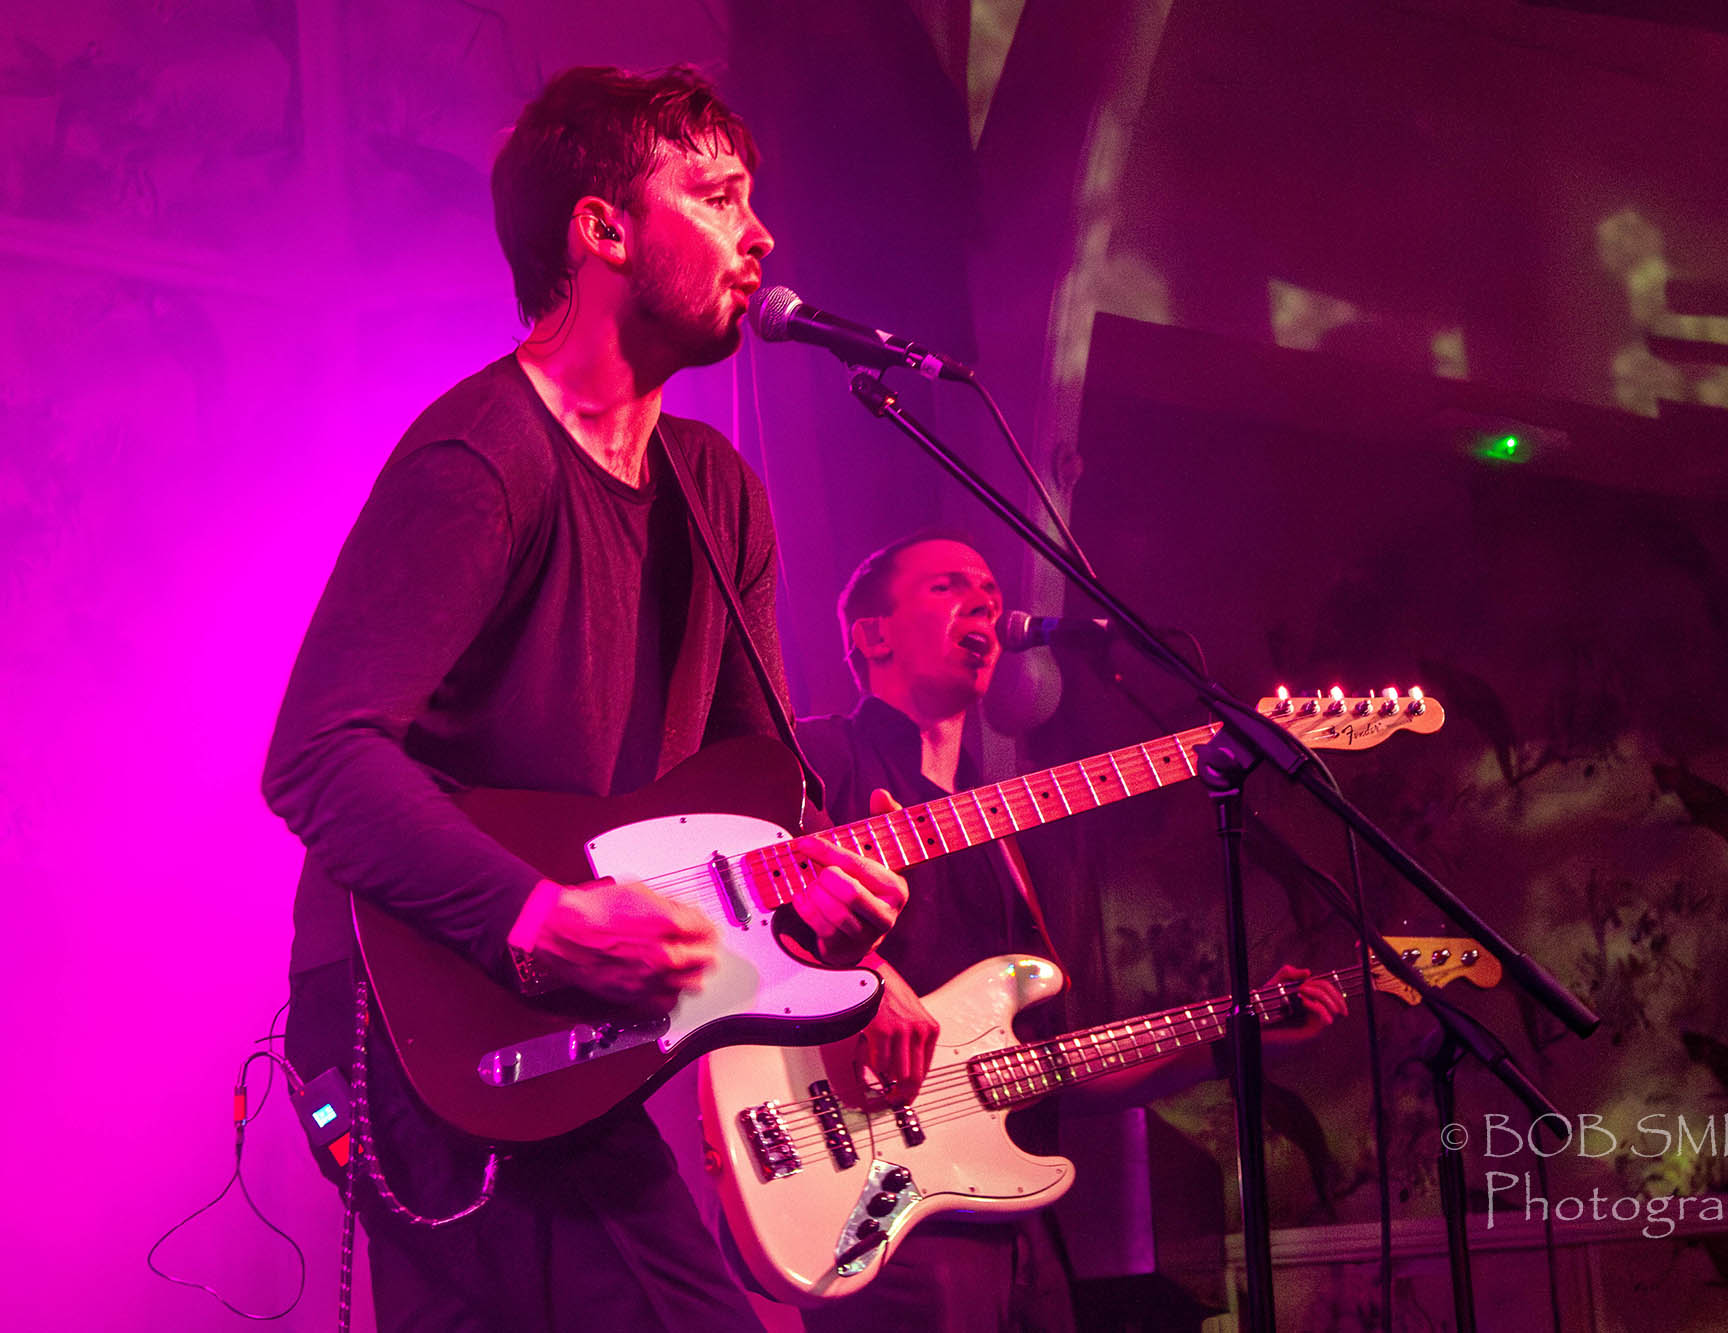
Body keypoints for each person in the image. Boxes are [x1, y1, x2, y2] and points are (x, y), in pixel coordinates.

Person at [263, 66, 908, 1332]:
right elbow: (318, 756)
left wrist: (821, 919)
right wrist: (537, 915)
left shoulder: (717, 494)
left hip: (565, 1043)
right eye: (716, 197)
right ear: (602, 229)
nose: (760, 235)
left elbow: (748, 788)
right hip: (415, 1017)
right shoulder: (480, 457)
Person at [793, 534, 1345, 1333]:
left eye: (989, 587)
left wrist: (1235, 1036)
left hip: (1022, 1232)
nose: (985, 601)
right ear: (873, 634)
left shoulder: (1006, 835)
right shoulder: (821, 758)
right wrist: (870, 981)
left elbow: (1051, 1067)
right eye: (950, 585)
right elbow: (742, 917)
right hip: (881, 1209)